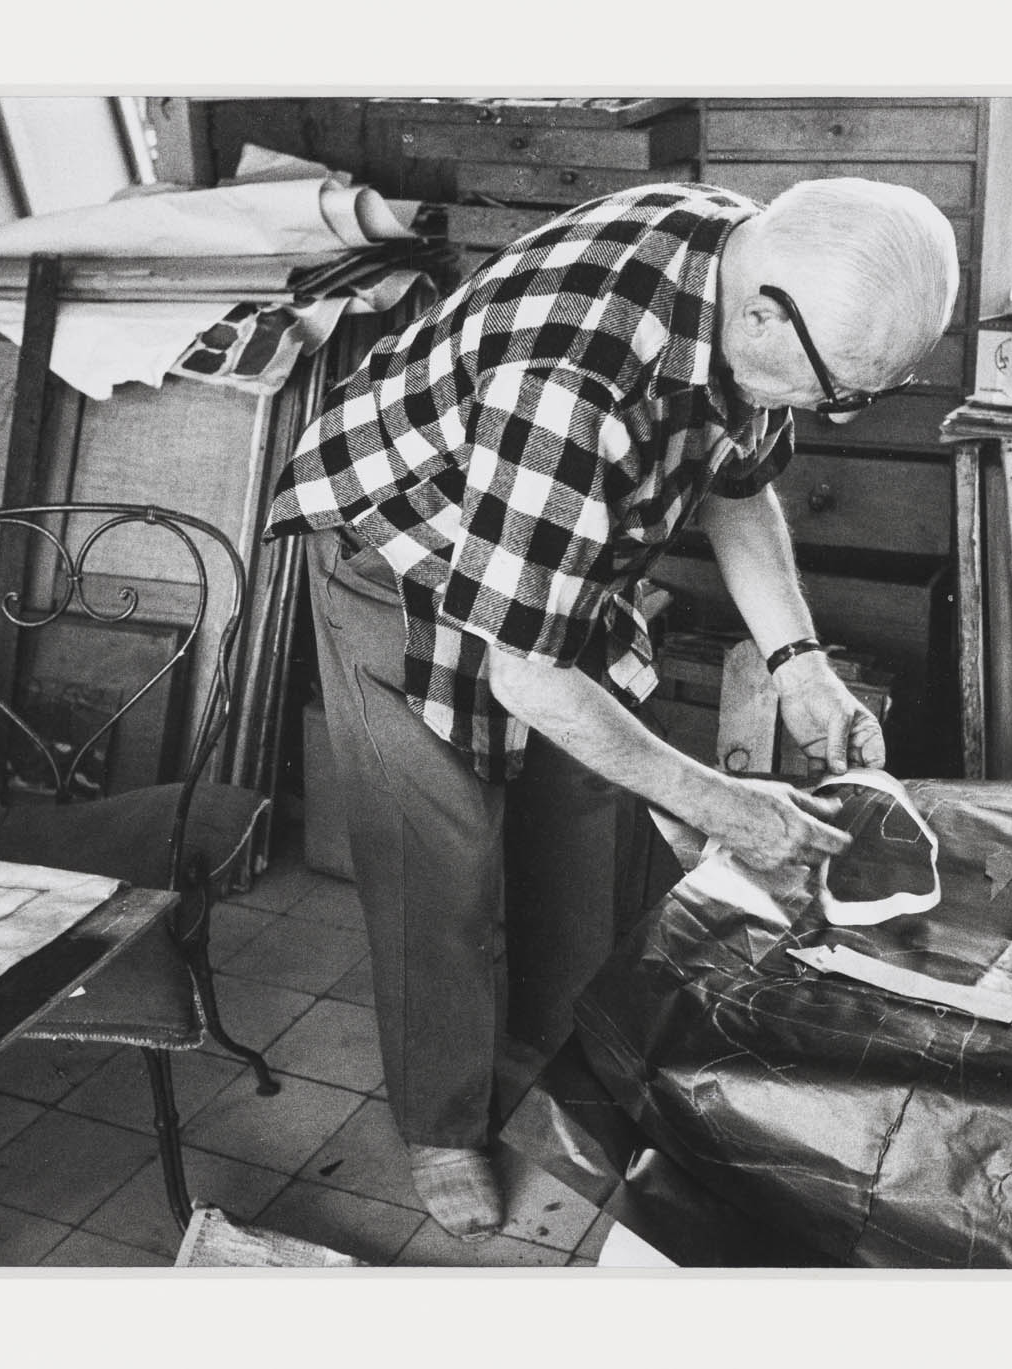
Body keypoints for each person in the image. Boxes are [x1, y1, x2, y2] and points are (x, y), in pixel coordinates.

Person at [263, 177, 959, 1240]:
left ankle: (558, 1054)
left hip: (548, 543)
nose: (829, 419)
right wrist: (726, 805)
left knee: (582, 814)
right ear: (761, 314)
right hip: (400, 549)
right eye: (833, 396)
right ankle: (441, 1120)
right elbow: (526, 674)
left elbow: (735, 478)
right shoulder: (569, 380)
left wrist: (798, 662)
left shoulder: (748, 257)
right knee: (439, 858)